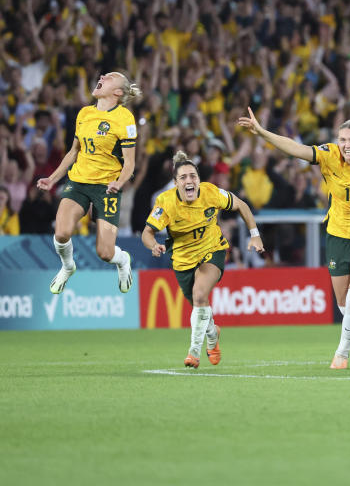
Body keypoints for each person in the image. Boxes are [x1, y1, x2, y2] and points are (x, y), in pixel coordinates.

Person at [238, 109, 350, 369]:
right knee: (346, 307)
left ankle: (341, 354)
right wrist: (262, 132)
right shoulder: (328, 155)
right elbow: (294, 148)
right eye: (342, 139)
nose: (347, 145)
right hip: (337, 235)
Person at [141, 151, 265, 368]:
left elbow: (242, 205)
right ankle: (212, 334)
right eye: (183, 177)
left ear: (199, 179)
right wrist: (154, 245)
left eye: (193, 176)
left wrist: (255, 235)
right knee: (201, 306)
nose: (189, 181)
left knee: (199, 295)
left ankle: (193, 353)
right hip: (182, 260)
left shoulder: (211, 192)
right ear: (175, 183)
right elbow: (147, 233)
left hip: (213, 250)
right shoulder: (166, 202)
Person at [40, 72, 141, 295]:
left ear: (118, 92)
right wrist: (53, 178)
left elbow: (131, 163)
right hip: (78, 182)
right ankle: (68, 266)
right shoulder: (84, 113)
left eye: (111, 77)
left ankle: (123, 259)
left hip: (107, 187)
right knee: (61, 233)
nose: (103, 75)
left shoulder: (125, 118)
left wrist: (119, 182)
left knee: (104, 253)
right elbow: (74, 152)